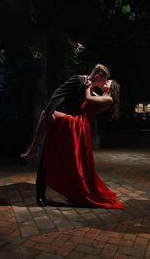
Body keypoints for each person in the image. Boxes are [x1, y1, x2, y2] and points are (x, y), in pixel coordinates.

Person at [21, 64, 111, 207]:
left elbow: (100, 105)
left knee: (70, 162)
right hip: (64, 120)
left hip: (74, 126)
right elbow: (58, 93)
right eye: (104, 79)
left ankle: (77, 193)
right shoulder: (79, 80)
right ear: (98, 75)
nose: (105, 82)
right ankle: (40, 191)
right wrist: (51, 110)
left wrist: (105, 92)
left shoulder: (92, 90)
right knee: (47, 155)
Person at [38, 79, 124, 209]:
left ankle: (34, 146)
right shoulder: (100, 96)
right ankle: (71, 189)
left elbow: (87, 97)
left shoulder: (108, 99)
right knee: (71, 158)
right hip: (78, 121)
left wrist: (87, 84)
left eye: (108, 83)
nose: (105, 82)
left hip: (78, 123)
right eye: (106, 81)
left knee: (46, 114)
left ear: (113, 88)